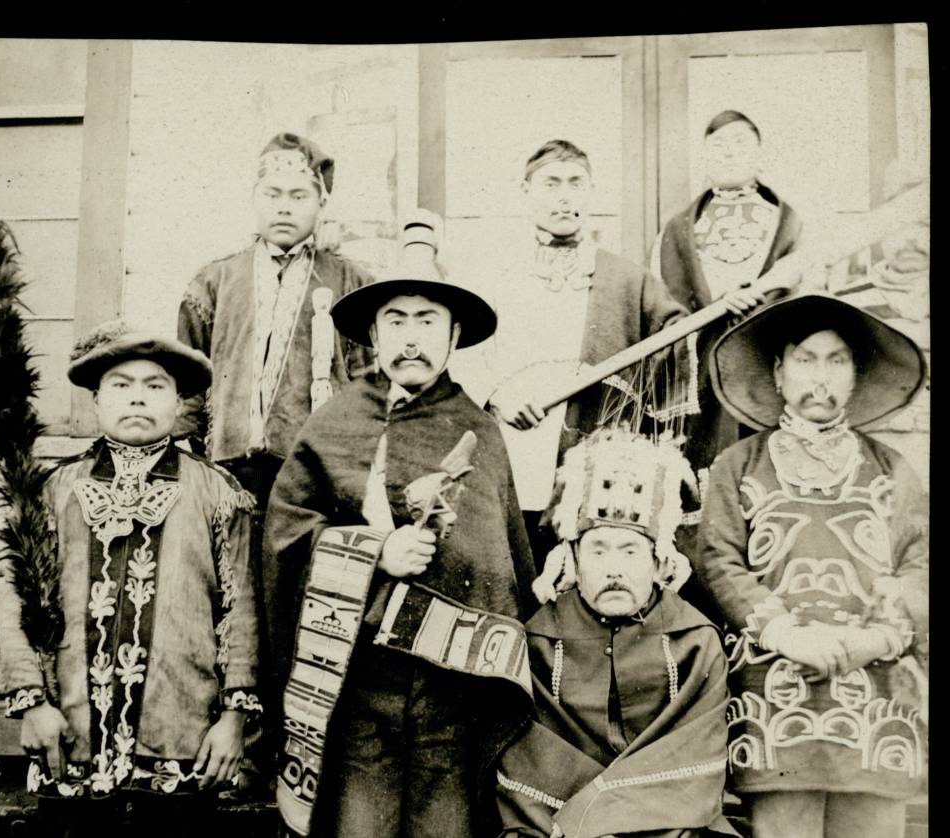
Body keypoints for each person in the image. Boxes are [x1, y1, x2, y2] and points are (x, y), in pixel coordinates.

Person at [264, 211, 536, 837]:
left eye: (427, 320)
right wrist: (374, 552)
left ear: (454, 332)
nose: (411, 337)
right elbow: (283, 536)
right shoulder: (333, 426)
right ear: (373, 332)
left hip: (453, 694)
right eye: (396, 320)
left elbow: (506, 557)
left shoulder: (479, 430)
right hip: (362, 686)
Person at [0, 322, 262, 837]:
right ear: (96, 398)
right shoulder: (53, 489)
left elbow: (241, 610)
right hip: (69, 736)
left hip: (182, 736)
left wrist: (234, 720)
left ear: (178, 400)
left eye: (155, 385)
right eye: (121, 384)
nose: (137, 399)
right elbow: (18, 603)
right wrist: (32, 702)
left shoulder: (219, 491)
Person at [453, 138, 759, 564]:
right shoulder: (495, 274)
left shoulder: (625, 279)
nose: (564, 196)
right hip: (508, 451)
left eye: (576, 183)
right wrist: (500, 396)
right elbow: (460, 351)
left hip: (591, 467)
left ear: (591, 193)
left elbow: (680, 342)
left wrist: (722, 315)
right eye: (551, 183)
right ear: (526, 192)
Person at [176, 132, 372, 788]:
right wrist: (191, 465)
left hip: (314, 477)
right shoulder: (215, 280)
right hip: (231, 469)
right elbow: (190, 386)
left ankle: (308, 753)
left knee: (305, 607)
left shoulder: (351, 282)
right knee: (237, 608)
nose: (284, 206)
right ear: (252, 199)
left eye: (299, 194)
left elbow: (372, 384)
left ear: (323, 201)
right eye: (272, 193)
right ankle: (243, 752)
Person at [695, 293, 928, 838]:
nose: (819, 377)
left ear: (854, 377)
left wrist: (880, 638)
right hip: (775, 696)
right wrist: (782, 632)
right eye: (805, 359)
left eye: (836, 360)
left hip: (876, 697)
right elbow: (719, 559)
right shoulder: (739, 465)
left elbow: (920, 563)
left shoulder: (891, 469)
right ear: (778, 373)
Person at [496, 428, 736, 838]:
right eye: (598, 550)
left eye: (630, 552)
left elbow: (696, 753)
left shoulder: (696, 641)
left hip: (672, 822)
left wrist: (607, 818)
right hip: (555, 826)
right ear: (571, 558)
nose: (614, 569)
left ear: (660, 562)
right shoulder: (539, 641)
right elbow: (527, 759)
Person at [651, 109, 803, 500]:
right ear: (705, 157)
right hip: (702, 370)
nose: (729, 153)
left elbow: (803, 294)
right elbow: (662, 302)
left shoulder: (785, 223)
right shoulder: (680, 228)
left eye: (740, 143)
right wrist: (715, 306)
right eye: (719, 145)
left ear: (759, 153)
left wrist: (757, 304)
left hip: (763, 362)